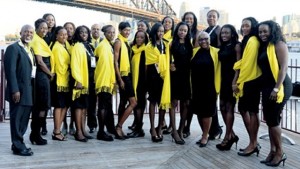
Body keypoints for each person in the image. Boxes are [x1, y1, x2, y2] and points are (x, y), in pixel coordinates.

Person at [257, 20, 292, 167]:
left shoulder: (279, 44)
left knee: (273, 119)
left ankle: (280, 152)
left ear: (272, 31)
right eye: (260, 32)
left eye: (265, 31)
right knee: (270, 120)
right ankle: (272, 151)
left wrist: (276, 88)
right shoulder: (265, 46)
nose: (262, 34)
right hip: (267, 86)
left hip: (280, 86)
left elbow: (283, 68)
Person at [4, 25, 35, 156]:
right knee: (17, 118)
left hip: (28, 90)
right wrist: (15, 90)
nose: (29, 34)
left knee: (24, 118)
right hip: (19, 91)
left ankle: (18, 143)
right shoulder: (13, 48)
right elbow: (10, 71)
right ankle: (18, 146)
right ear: (20, 33)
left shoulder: (30, 49)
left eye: (31, 32)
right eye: (26, 32)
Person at [234, 17, 261, 156]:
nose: (244, 28)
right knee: (245, 109)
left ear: (253, 26)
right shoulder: (247, 40)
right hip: (249, 80)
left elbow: (247, 64)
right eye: (242, 26)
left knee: (252, 112)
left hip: (251, 81)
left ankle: (253, 143)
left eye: (247, 26)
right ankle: (253, 142)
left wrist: (237, 82)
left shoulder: (252, 41)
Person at [191, 32, 220, 148]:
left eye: (206, 39)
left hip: (209, 87)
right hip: (196, 87)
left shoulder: (216, 52)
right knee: (198, 111)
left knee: (207, 112)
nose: (203, 41)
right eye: (201, 39)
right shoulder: (194, 52)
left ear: (210, 39)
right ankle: (205, 133)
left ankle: (205, 136)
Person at [216, 24, 241, 150]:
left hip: (232, 80)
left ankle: (227, 137)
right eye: (222, 33)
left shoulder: (236, 46)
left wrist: (235, 82)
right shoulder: (222, 46)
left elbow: (238, 65)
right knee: (222, 107)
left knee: (229, 108)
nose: (224, 35)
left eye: (227, 33)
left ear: (232, 34)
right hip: (223, 80)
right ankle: (232, 135)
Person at [145, 22, 171, 142]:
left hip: (164, 77)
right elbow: (150, 62)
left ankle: (160, 128)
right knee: (153, 101)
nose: (160, 33)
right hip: (153, 76)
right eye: (158, 31)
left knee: (163, 102)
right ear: (154, 32)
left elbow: (169, 59)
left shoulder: (166, 44)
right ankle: (152, 129)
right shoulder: (149, 46)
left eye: (162, 31)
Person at [30, 18, 54, 145]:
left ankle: (35, 134)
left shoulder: (40, 39)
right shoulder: (37, 40)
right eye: (42, 28)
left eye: (46, 28)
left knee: (41, 106)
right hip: (42, 76)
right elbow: (39, 61)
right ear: (36, 28)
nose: (44, 30)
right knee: (41, 106)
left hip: (42, 76)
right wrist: (50, 74)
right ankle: (35, 135)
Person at [169, 22, 193, 145]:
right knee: (173, 102)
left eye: (184, 30)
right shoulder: (172, 43)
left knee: (186, 103)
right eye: (180, 30)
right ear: (177, 31)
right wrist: (170, 65)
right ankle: (174, 131)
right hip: (176, 75)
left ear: (187, 32)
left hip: (186, 75)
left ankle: (181, 129)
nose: (182, 32)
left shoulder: (191, 43)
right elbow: (167, 58)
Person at [114, 21, 137, 140]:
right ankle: (119, 126)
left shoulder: (126, 42)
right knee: (133, 103)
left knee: (123, 101)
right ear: (120, 30)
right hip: (123, 76)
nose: (127, 32)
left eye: (129, 30)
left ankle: (119, 128)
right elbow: (115, 62)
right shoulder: (118, 42)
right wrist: (120, 79)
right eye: (125, 30)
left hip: (127, 74)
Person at [71, 25, 94, 142]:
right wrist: (78, 80)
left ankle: (84, 130)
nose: (84, 34)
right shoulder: (77, 46)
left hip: (89, 80)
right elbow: (74, 64)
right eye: (81, 32)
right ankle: (78, 131)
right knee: (79, 107)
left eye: (86, 32)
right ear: (77, 34)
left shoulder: (89, 46)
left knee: (85, 107)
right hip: (81, 81)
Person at [94, 25, 116, 141]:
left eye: (113, 32)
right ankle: (101, 132)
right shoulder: (103, 46)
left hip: (107, 80)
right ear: (104, 33)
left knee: (106, 107)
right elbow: (102, 64)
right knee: (102, 107)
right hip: (103, 80)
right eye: (109, 32)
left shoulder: (108, 45)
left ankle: (107, 129)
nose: (111, 34)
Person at [128, 20, 151, 131]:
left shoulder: (146, 50)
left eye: (142, 38)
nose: (139, 39)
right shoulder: (133, 50)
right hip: (134, 82)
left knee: (139, 105)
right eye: (137, 37)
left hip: (142, 82)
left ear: (145, 39)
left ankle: (139, 129)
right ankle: (137, 126)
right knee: (136, 104)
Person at [181, 11, 200, 138]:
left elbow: (196, 52)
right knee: (183, 101)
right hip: (182, 71)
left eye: (191, 18)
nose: (189, 20)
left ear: (194, 20)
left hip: (192, 70)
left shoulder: (197, 34)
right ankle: (180, 126)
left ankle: (187, 127)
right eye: (186, 18)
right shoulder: (180, 32)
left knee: (190, 101)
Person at [204, 9, 223, 140]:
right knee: (209, 101)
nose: (211, 18)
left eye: (213, 16)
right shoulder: (206, 30)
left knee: (212, 101)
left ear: (217, 18)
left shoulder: (219, 30)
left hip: (215, 68)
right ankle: (212, 129)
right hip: (205, 69)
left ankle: (216, 129)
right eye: (209, 16)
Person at [50, 26, 70, 141]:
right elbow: (59, 65)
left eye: (66, 34)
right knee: (58, 106)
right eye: (61, 34)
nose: (64, 36)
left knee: (64, 106)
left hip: (65, 80)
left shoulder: (65, 45)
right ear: (56, 36)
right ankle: (56, 131)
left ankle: (58, 130)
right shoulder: (57, 47)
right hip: (59, 80)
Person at [86, 23, 101, 134]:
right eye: (94, 29)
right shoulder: (87, 43)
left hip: (102, 76)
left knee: (103, 102)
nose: (96, 31)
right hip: (90, 77)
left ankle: (103, 124)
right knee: (91, 103)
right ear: (91, 31)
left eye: (97, 29)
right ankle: (92, 125)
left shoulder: (105, 43)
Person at [62, 21, 76, 135]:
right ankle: (64, 125)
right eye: (67, 28)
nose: (69, 30)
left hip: (74, 76)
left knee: (73, 103)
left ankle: (72, 124)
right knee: (65, 104)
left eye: (71, 28)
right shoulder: (62, 43)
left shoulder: (76, 42)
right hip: (64, 76)